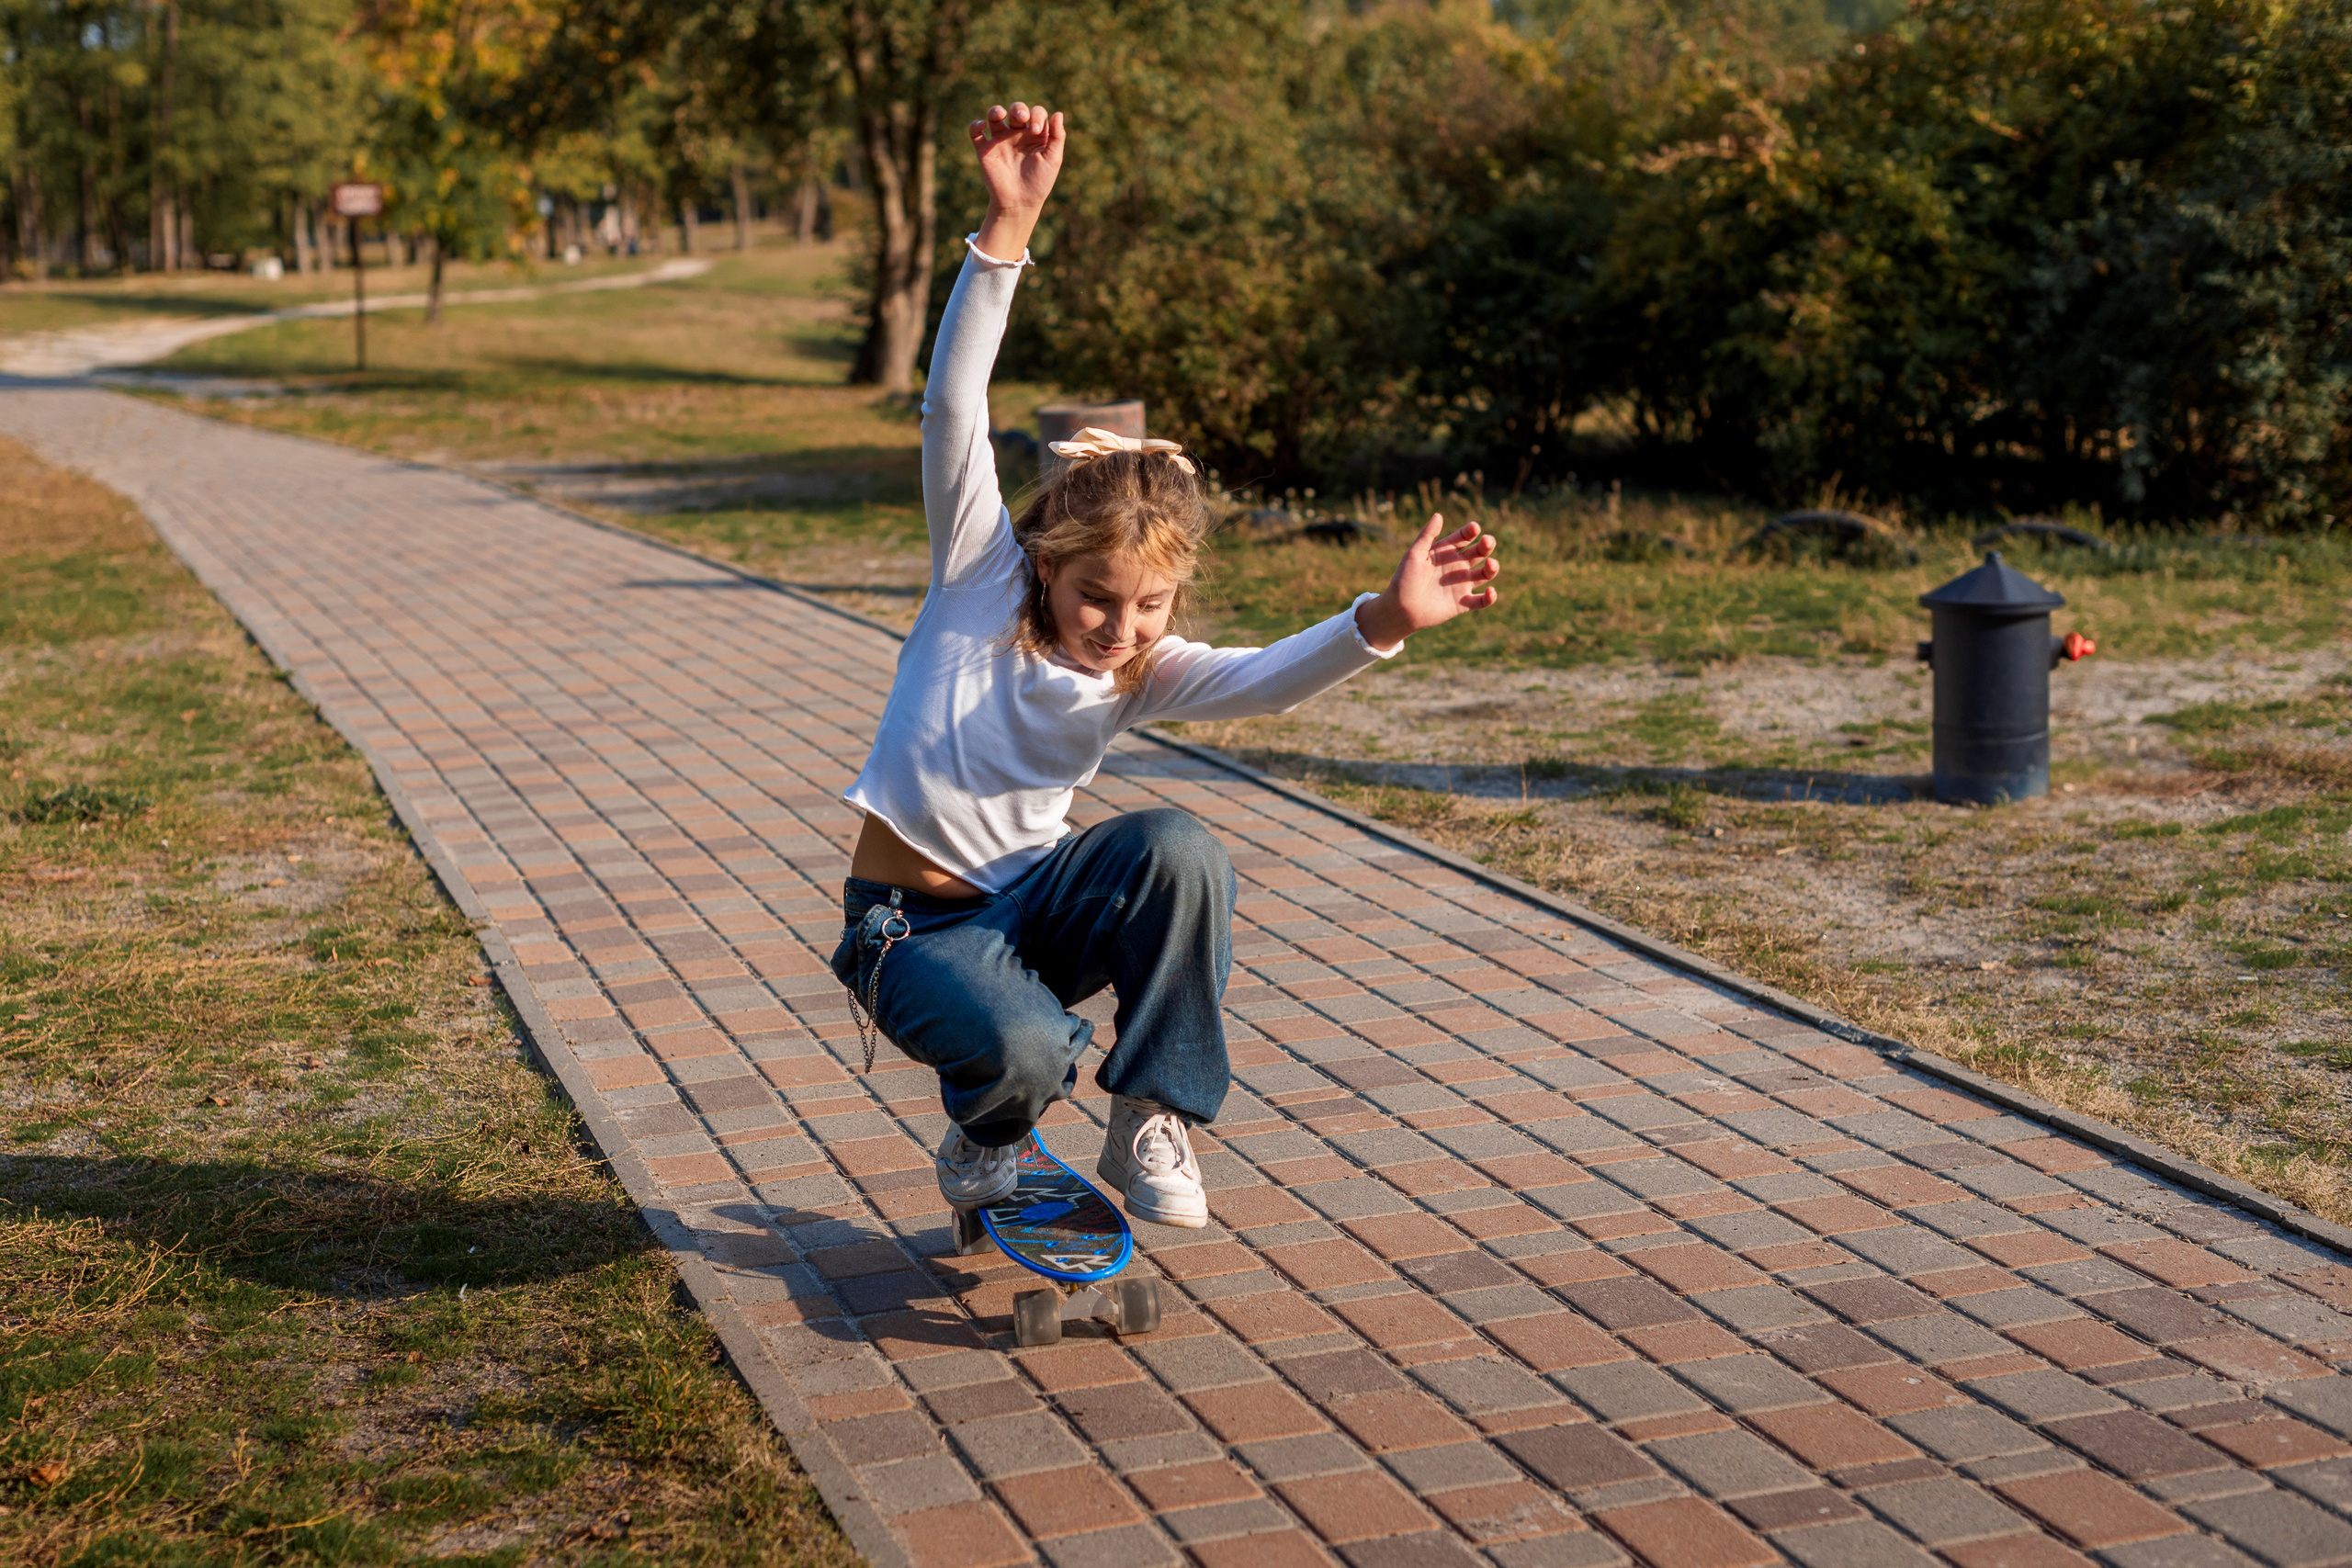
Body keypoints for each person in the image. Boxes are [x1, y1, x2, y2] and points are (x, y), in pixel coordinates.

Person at [832, 99, 1503, 1229]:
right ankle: (991, 1121)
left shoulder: (1146, 665)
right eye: (1096, 598)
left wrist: (1383, 615)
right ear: (1044, 564)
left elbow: (1268, 677)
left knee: (1180, 847)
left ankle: (1152, 1111)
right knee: (1026, 1049)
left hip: (1033, 908)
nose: (1119, 627)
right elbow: (954, 406)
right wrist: (1010, 227)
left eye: (1148, 606)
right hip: (906, 929)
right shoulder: (975, 578)